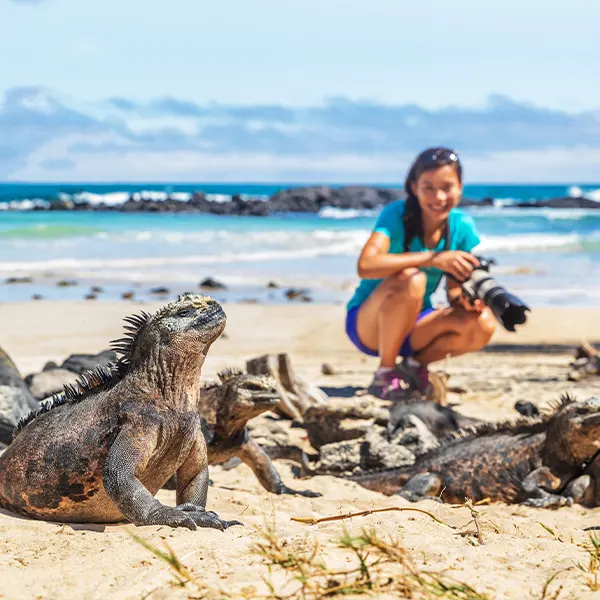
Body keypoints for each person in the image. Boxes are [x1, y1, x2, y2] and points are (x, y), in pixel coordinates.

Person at [345, 147, 496, 400]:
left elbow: (453, 291)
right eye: (428, 187)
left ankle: (413, 367)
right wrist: (434, 259)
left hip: (417, 326)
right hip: (369, 324)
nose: (438, 197)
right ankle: (385, 371)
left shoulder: (461, 226)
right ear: (414, 187)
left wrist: (466, 301)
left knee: (483, 323)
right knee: (413, 278)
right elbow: (366, 265)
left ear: (460, 187)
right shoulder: (396, 214)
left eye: (447, 187)